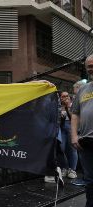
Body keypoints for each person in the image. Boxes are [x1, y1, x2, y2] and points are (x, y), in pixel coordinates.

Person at [71, 54, 93, 207]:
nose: (91, 68)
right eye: (89, 66)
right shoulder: (83, 89)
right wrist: (73, 135)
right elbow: (75, 114)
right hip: (86, 142)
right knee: (90, 180)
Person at [59, 91, 78, 179]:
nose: (65, 97)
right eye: (63, 96)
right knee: (61, 148)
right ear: (60, 98)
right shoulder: (58, 106)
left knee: (72, 149)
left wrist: (67, 107)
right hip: (62, 128)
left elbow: (74, 117)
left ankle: (72, 169)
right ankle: (65, 168)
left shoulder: (73, 104)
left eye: (67, 96)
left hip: (71, 127)